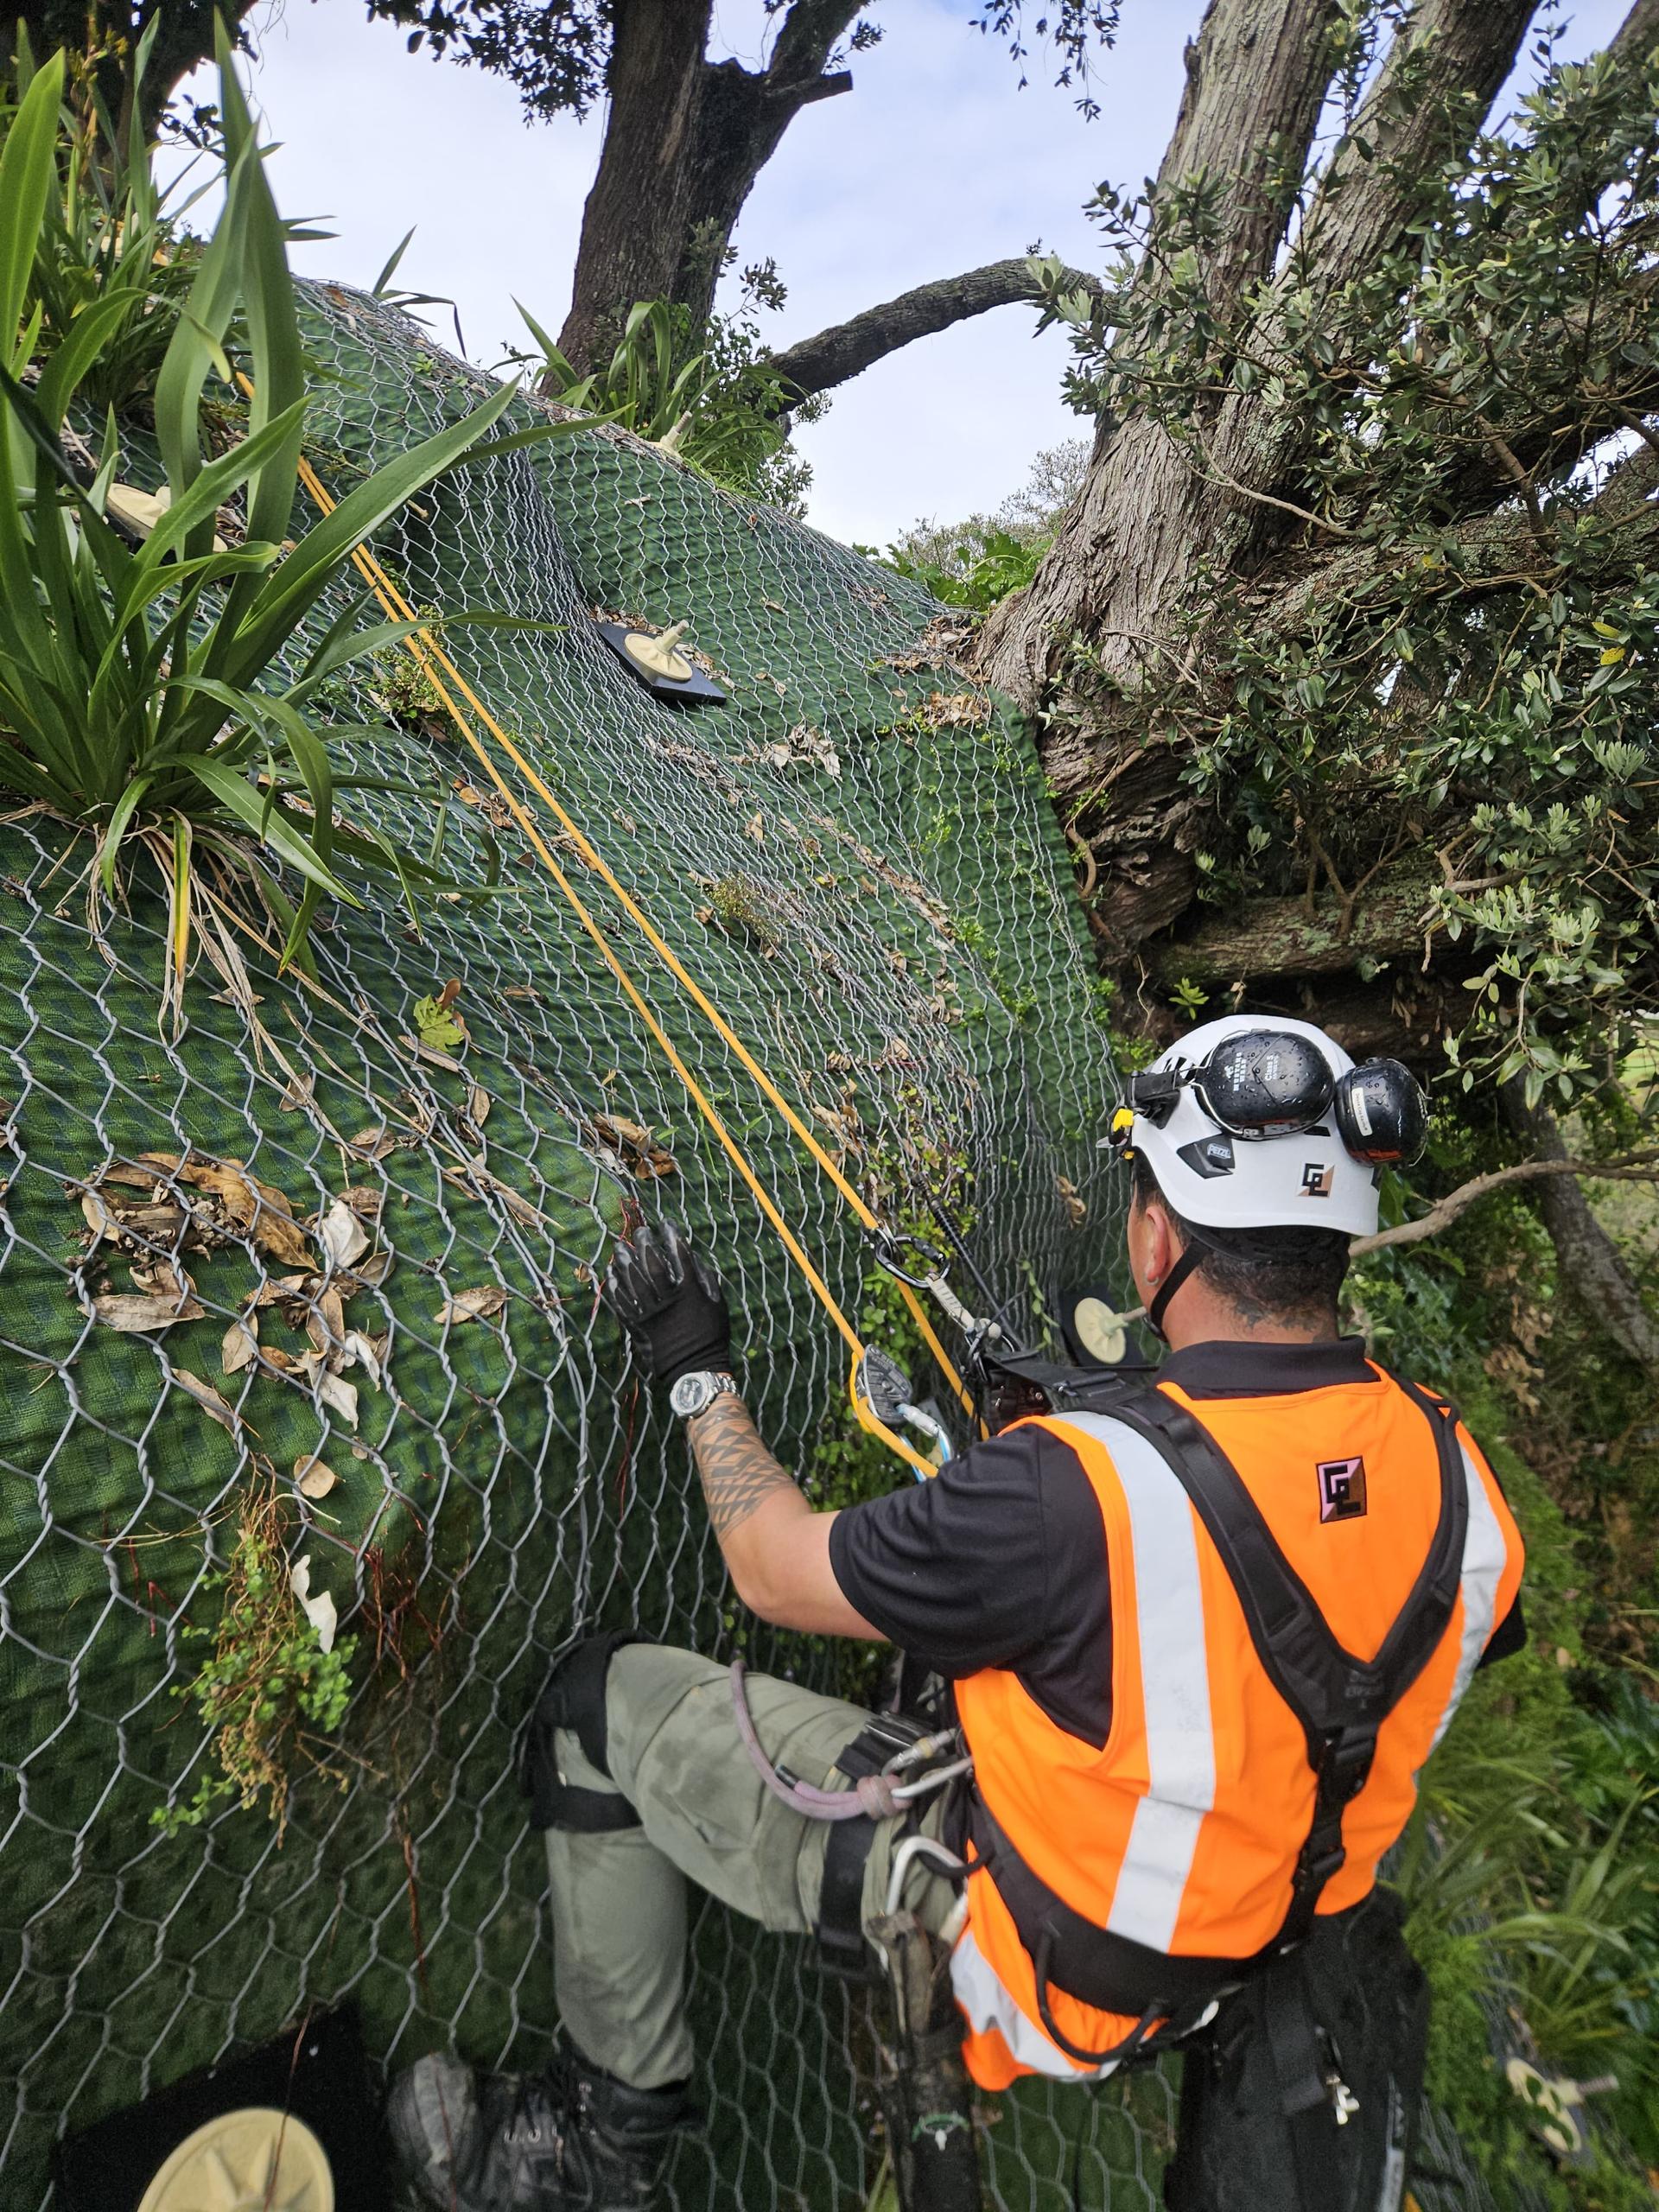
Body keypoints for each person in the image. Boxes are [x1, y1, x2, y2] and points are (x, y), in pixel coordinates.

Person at [387, 1015, 1527, 2212]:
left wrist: (693, 1364)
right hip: (1245, 1940)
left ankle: (595, 2139)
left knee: (592, 1705)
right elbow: (1344, 1582)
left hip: (1044, 1959)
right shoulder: (1464, 1482)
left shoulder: (1070, 1491)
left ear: (1153, 1242)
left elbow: (772, 1570)